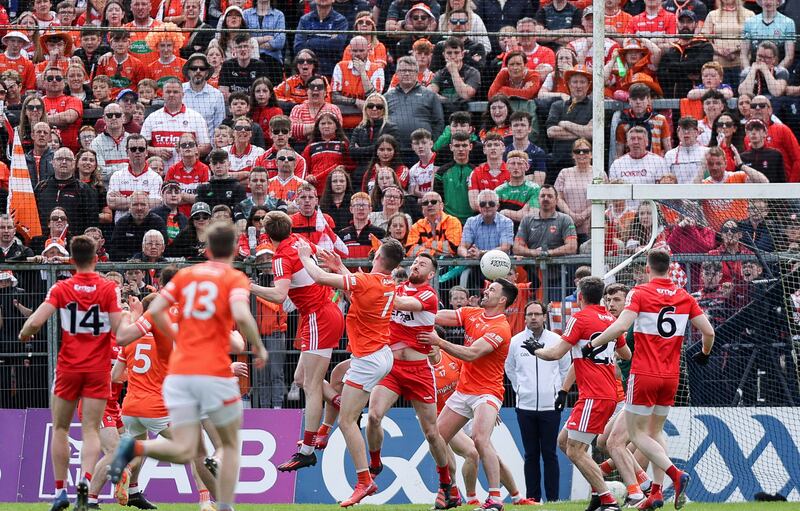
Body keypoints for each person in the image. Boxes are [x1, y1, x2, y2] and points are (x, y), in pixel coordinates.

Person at [108, 222, 267, 511]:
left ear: (206, 249)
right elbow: (238, 339)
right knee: (224, 445)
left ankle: (137, 449)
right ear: (233, 250)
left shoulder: (184, 282)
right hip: (210, 378)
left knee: (192, 448)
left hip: (178, 382)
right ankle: (221, 499)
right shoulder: (231, 281)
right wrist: (257, 345)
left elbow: (145, 320)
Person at [583, 250, 715, 511]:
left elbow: (621, 327)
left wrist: (593, 343)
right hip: (671, 376)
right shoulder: (684, 296)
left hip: (644, 374)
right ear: (670, 269)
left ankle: (675, 474)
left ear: (647, 268)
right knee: (654, 432)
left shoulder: (640, 293)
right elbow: (708, 331)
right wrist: (704, 354)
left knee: (635, 434)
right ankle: (654, 491)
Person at [293, 236, 406, 507]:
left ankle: (364, 480)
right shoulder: (386, 280)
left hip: (369, 359)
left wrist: (305, 256)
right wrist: (339, 266)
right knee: (336, 376)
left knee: (348, 421)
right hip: (378, 353)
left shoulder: (367, 281)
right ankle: (323, 430)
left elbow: (319, 278)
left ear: (378, 256)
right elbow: (357, 288)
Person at [19, 235, 124, 511]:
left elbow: (35, 321)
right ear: (96, 258)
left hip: (68, 367)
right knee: (91, 430)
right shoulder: (108, 289)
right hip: (98, 369)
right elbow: (118, 331)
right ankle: (86, 482)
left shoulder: (61, 288)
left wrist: (24, 333)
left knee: (61, 428)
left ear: (72, 260)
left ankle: (59, 491)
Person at [364, 253, 460, 509]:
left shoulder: (428, 295)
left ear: (431, 274)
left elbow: (403, 304)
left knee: (432, 434)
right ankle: (374, 464)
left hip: (419, 371)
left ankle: (446, 485)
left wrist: (375, 288)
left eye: (423, 264)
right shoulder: (396, 287)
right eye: (415, 261)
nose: (416, 265)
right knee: (373, 417)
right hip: (393, 368)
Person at [526, 276, 631, 511]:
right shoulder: (610, 321)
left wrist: (537, 351)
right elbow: (627, 354)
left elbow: (555, 354)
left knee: (574, 449)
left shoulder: (579, 318)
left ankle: (608, 499)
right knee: (564, 442)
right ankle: (599, 493)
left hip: (594, 395)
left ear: (580, 297)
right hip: (604, 393)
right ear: (601, 297)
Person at [252, 211, 345, 468]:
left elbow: (279, 296)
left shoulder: (281, 257)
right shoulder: (299, 241)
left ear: (266, 235)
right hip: (322, 311)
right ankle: (343, 405)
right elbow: (321, 256)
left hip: (318, 316)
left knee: (312, 387)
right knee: (301, 378)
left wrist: (247, 286)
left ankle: (306, 450)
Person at [417, 279, 518, 511]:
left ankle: (494, 499)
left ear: (502, 300)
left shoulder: (501, 328)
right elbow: (437, 316)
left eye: (492, 290)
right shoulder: (473, 313)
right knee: (435, 436)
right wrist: (413, 306)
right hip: (464, 391)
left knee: (480, 440)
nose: (486, 291)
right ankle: (450, 490)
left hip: (487, 392)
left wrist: (439, 341)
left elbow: (472, 354)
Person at [505, 300, 570, 503]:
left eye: (537, 314)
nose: (533, 318)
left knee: (550, 453)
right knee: (531, 454)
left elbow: (565, 368)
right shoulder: (515, 341)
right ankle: (532, 498)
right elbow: (510, 369)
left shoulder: (556, 340)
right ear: (525, 317)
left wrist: (559, 392)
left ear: (544, 316)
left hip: (551, 407)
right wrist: (521, 390)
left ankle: (553, 500)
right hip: (524, 407)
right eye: (530, 314)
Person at [386, 56, 445, 165]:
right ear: (397, 73)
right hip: (395, 152)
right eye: (403, 70)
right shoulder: (387, 96)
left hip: (422, 153)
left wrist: (429, 145)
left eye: (411, 70)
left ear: (417, 73)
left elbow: (439, 123)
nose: (407, 73)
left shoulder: (430, 95)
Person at [141, 79, 211, 168]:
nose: (171, 95)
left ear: (183, 94)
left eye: (175, 92)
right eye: (168, 92)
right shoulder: (152, 117)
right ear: (162, 94)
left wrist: (187, 150)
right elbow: (140, 145)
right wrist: (155, 151)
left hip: (188, 172)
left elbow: (207, 147)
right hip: (158, 172)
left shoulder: (196, 117)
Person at [34, 147, 98, 236]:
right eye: (60, 159)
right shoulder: (41, 187)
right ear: (52, 162)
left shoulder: (85, 190)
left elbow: (92, 222)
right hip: (44, 241)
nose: (64, 162)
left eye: (68, 159)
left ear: (74, 163)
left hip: (74, 244)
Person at [545, 66, 593, 182]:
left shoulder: (594, 106)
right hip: (559, 164)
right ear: (569, 84)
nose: (578, 85)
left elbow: (592, 133)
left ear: (588, 85)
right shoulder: (557, 106)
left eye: (582, 82)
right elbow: (551, 132)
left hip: (586, 165)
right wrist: (583, 131)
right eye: (575, 82)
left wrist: (565, 123)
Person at [107, 135, 164, 222]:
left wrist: (125, 199)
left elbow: (156, 204)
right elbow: (111, 203)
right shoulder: (117, 175)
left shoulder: (155, 177)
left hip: (148, 226)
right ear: (127, 152)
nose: (137, 152)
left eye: (141, 149)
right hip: (122, 226)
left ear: (146, 152)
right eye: (133, 149)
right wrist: (144, 200)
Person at [513, 185, 578, 259]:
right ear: (538, 199)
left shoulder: (565, 219)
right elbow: (516, 248)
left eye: (550, 196)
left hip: (560, 268)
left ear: (556, 200)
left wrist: (548, 253)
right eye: (542, 196)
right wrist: (533, 252)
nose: (545, 199)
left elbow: (572, 247)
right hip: (533, 268)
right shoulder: (527, 220)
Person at [294, 0, 349, 77]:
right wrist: (328, 40)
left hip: (332, 72)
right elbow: (298, 47)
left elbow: (337, 45)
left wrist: (310, 41)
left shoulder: (340, 21)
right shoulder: (305, 20)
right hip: (308, 73)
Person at [110, 191, 169, 261]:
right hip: (128, 264)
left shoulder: (157, 222)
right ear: (129, 206)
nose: (139, 208)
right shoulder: (122, 223)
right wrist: (134, 260)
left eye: (143, 204)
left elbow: (163, 249)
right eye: (135, 204)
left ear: (149, 206)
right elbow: (114, 251)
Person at [458, 189, 514, 258]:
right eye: (483, 204)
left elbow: (505, 248)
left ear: (497, 206)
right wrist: (467, 254)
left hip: (500, 264)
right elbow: (462, 247)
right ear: (479, 207)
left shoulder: (506, 222)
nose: (487, 206)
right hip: (475, 264)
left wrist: (481, 253)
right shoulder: (471, 221)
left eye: (491, 203)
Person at [182, 53, 226, 139]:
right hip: (181, 146)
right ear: (188, 72)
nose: (198, 71)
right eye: (194, 68)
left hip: (207, 147)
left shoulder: (216, 95)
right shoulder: (179, 91)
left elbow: (219, 127)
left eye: (202, 69)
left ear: (207, 73)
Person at [406, 191, 462, 257]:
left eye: (434, 202)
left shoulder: (453, 221)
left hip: (451, 265)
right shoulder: (417, 226)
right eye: (425, 203)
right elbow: (410, 250)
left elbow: (453, 246)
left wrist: (427, 244)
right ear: (422, 208)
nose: (429, 204)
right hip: (424, 264)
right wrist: (434, 254)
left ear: (441, 205)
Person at [337, 192, 386, 258]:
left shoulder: (379, 233)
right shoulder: (342, 234)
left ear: (370, 209)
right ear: (351, 209)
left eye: (364, 205)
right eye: (357, 205)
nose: (361, 208)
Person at [663, 116, 709, 184]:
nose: (686, 132)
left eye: (689, 129)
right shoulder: (670, 155)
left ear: (696, 132)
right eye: (683, 129)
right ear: (678, 132)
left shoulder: (707, 152)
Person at [740, 118, 785, 182]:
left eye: (757, 129)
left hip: (771, 191)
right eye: (750, 130)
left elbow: (782, 182)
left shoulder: (775, 155)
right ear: (747, 134)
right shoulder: (742, 157)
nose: (753, 132)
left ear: (765, 133)